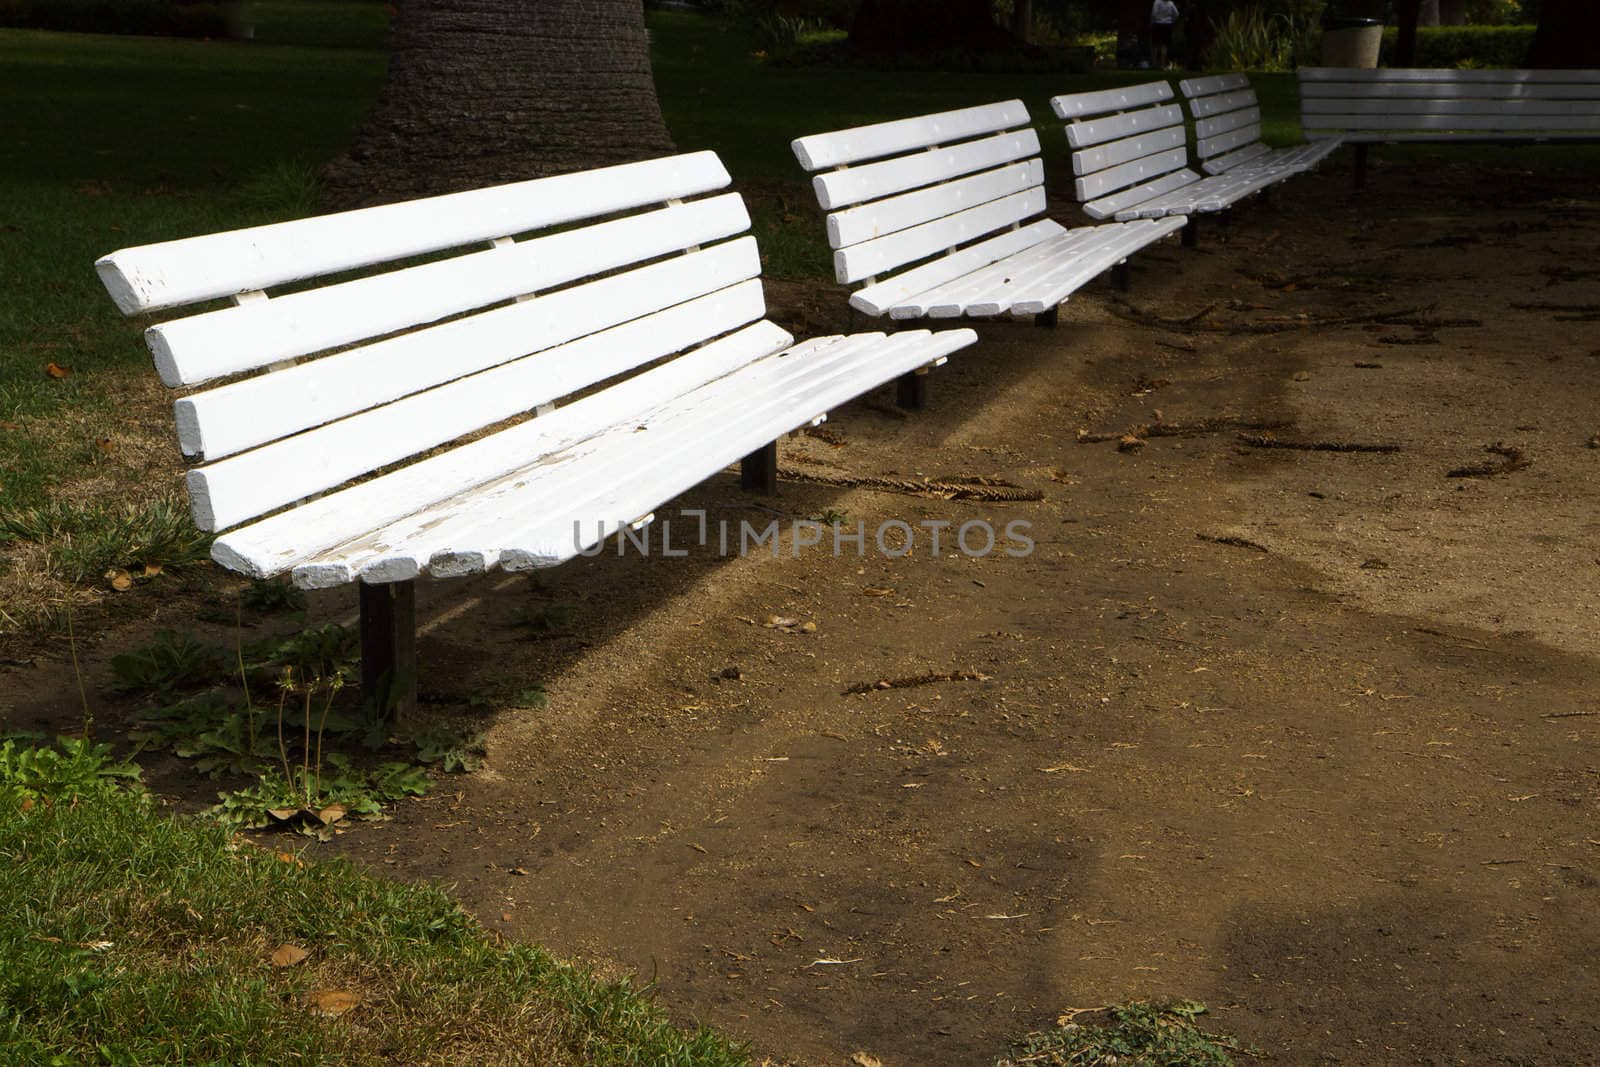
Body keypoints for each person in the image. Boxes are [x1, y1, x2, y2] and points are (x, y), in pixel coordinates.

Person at [1150, 0, 1179, 70]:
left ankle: (1154, 64)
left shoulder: (1157, 2)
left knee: (1155, 45)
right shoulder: (1170, 3)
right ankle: (1162, 65)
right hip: (1167, 25)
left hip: (1158, 24)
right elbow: (1177, 14)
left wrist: (1153, 22)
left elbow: (1154, 14)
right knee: (1164, 45)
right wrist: (1171, 20)